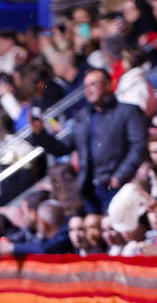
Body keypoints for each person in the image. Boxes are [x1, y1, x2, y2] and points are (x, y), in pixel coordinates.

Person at [26, 67, 147, 214]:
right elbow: (63, 147)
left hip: (118, 184)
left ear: (109, 85)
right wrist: (40, 134)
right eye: (86, 86)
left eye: (94, 84)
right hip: (90, 191)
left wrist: (120, 176)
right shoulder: (83, 117)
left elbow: (138, 146)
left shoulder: (128, 111)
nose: (89, 90)